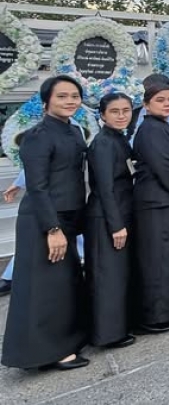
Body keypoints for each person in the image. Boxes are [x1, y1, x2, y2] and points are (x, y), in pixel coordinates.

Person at [2, 75, 90, 370]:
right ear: (45, 101)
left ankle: (67, 340)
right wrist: (52, 229)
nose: (70, 101)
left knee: (64, 284)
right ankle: (50, 352)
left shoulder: (74, 131)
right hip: (44, 220)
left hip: (68, 216)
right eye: (62, 96)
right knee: (45, 288)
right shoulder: (37, 136)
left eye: (74, 96)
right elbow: (37, 187)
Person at [131, 82, 169, 335]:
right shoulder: (150, 130)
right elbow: (164, 167)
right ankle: (153, 316)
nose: (167, 104)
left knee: (167, 258)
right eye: (160, 100)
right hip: (155, 204)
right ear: (146, 105)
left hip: (167, 202)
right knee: (156, 260)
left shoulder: (162, 126)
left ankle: (166, 308)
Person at [85, 92, 136, 349]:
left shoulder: (119, 138)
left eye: (126, 110)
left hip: (122, 211)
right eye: (115, 111)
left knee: (119, 275)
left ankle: (119, 326)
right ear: (103, 115)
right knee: (107, 277)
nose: (121, 115)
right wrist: (116, 225)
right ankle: (107, 334)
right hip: (106, 217)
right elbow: (105, 188)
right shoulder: (103, 143)